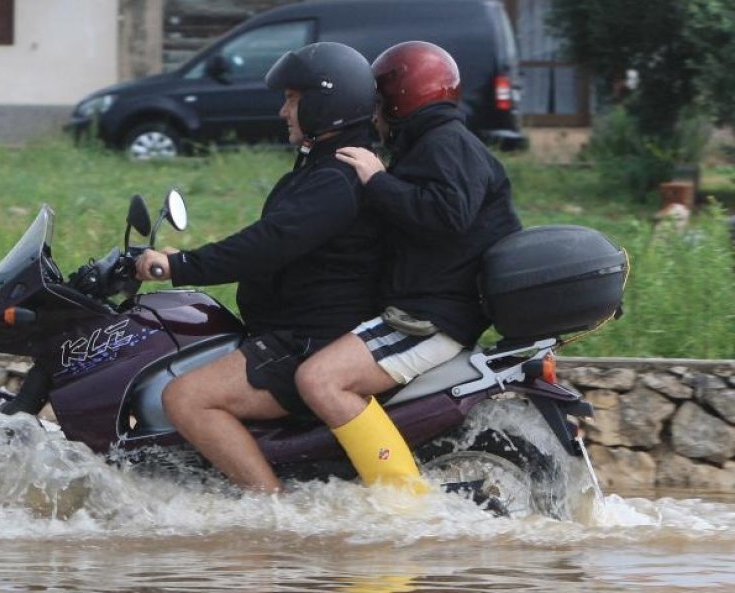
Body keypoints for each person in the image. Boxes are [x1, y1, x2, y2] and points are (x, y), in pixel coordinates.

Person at [134, 42, 383, 493]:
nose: (284, 110)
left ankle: (271, 511)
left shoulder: (336, 178)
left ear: (326, 101)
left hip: (308, 340)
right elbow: (273, 237)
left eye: (293, 98)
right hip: (292, 330)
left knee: (186, 398)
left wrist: (177, 266)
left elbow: (267, 245)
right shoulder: (327, 165)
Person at [295, 41, 523, 490]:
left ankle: (403, 505)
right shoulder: (434, 143)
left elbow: (446, 216)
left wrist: (377, 180)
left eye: (377, 104)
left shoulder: (446, 144)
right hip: (428, 309)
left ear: (398, 100)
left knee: (321, 380)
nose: (373, 115)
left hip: (428, 317)